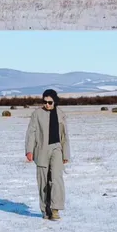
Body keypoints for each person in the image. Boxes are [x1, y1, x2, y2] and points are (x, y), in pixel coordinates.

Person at [25, 88, 70, 220]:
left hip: (57, 149)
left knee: (57, 179)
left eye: (50, 102)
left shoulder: (61, 114)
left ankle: (56, 210)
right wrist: (29, 150)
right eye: (45, 102)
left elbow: (65, 135)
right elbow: (31, 133)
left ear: (55, 101)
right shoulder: (37, 114)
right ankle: (46, 210)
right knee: (43, 182)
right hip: (41, 150)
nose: (47, 105)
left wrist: (66, 154)